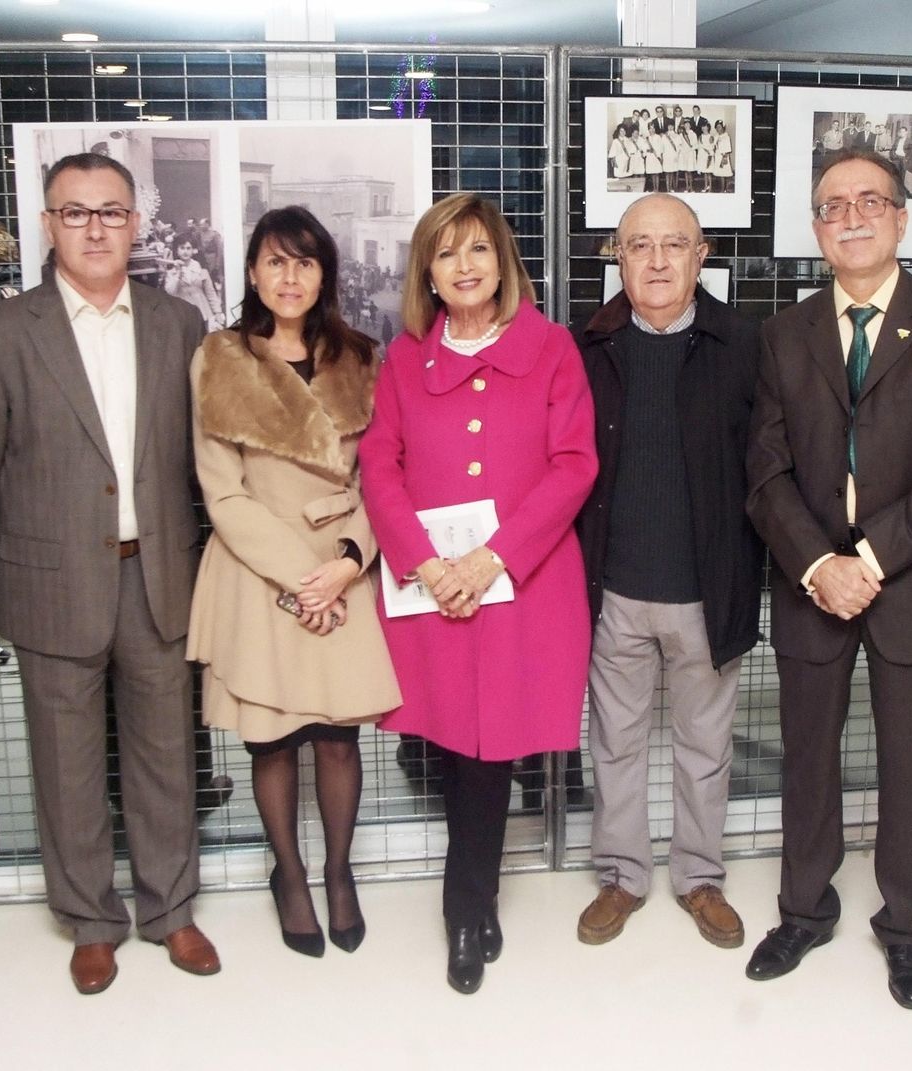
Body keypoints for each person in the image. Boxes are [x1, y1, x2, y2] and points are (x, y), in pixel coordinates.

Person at [0, 152, 220, 995]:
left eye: (111, 211)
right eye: (75, 212)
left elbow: (198, 454)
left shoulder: (178, 325)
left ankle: (170, 908)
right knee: (64, 763)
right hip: (53, 575)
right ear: (48, 224)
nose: (95, 227)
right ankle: (91, 919)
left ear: (136, 223)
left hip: (159, 574)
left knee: (168, 751)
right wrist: (52, 527)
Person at [743, 147, 912, 1009]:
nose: (850, 216)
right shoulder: (783, 332)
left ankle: (907, 930)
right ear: (815, 228)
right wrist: (819, 565)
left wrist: (873, 560)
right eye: (831, 205)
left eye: (868, 201)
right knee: (806, 760)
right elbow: (765, 472)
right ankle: (804, 909)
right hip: (812, 582)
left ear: (899, 218)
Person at [360, 193, 596, 995]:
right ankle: (470, 902)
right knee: (457, 743)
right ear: (428, 270)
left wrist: (492, 559)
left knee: (495, 747)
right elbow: (379, 467)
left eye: (478, 251)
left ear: (503, 263)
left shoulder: (553, 349)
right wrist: (426, 563)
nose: (464, 267)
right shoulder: (404, 359)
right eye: (447, 253)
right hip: (435, 589)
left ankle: (470, 905)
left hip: (518, 585)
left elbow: (574, 464)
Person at [186, 206, 402, 959]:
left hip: (343, 562)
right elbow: (223, 491)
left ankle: (339, 872)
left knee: (340, 739)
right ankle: (291, 874)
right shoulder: (219, 358)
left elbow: (385, 479)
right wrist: (301, 578)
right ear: (251, 271)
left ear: (324, 275)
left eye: (305, 263)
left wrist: (347, 562)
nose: (289, 277)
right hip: (259, 568)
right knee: (272, 738)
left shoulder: (362, 358)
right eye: (275, 262)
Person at [573, 193, 762, 951]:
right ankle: (623, 873)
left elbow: (767, 466)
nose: (656, 260)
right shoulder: (585, 347)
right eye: (639, 245)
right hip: (613, 587)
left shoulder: (744, 345)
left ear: (702, 254)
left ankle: (700, 876)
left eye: (673, 245)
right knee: (613, 742)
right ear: (617, 256)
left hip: (706, 589)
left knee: (705, 746)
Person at [163, 232, 224, 331]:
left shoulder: (201, 269)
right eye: (182, 248)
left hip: (202, 312)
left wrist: (217, 312)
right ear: (177, 251)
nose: (185, 252)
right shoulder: (172, 272)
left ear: (193, 251)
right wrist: (178, 273)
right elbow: (170, 292)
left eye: (188, 248)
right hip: (182, 314)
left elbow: (210, 293)